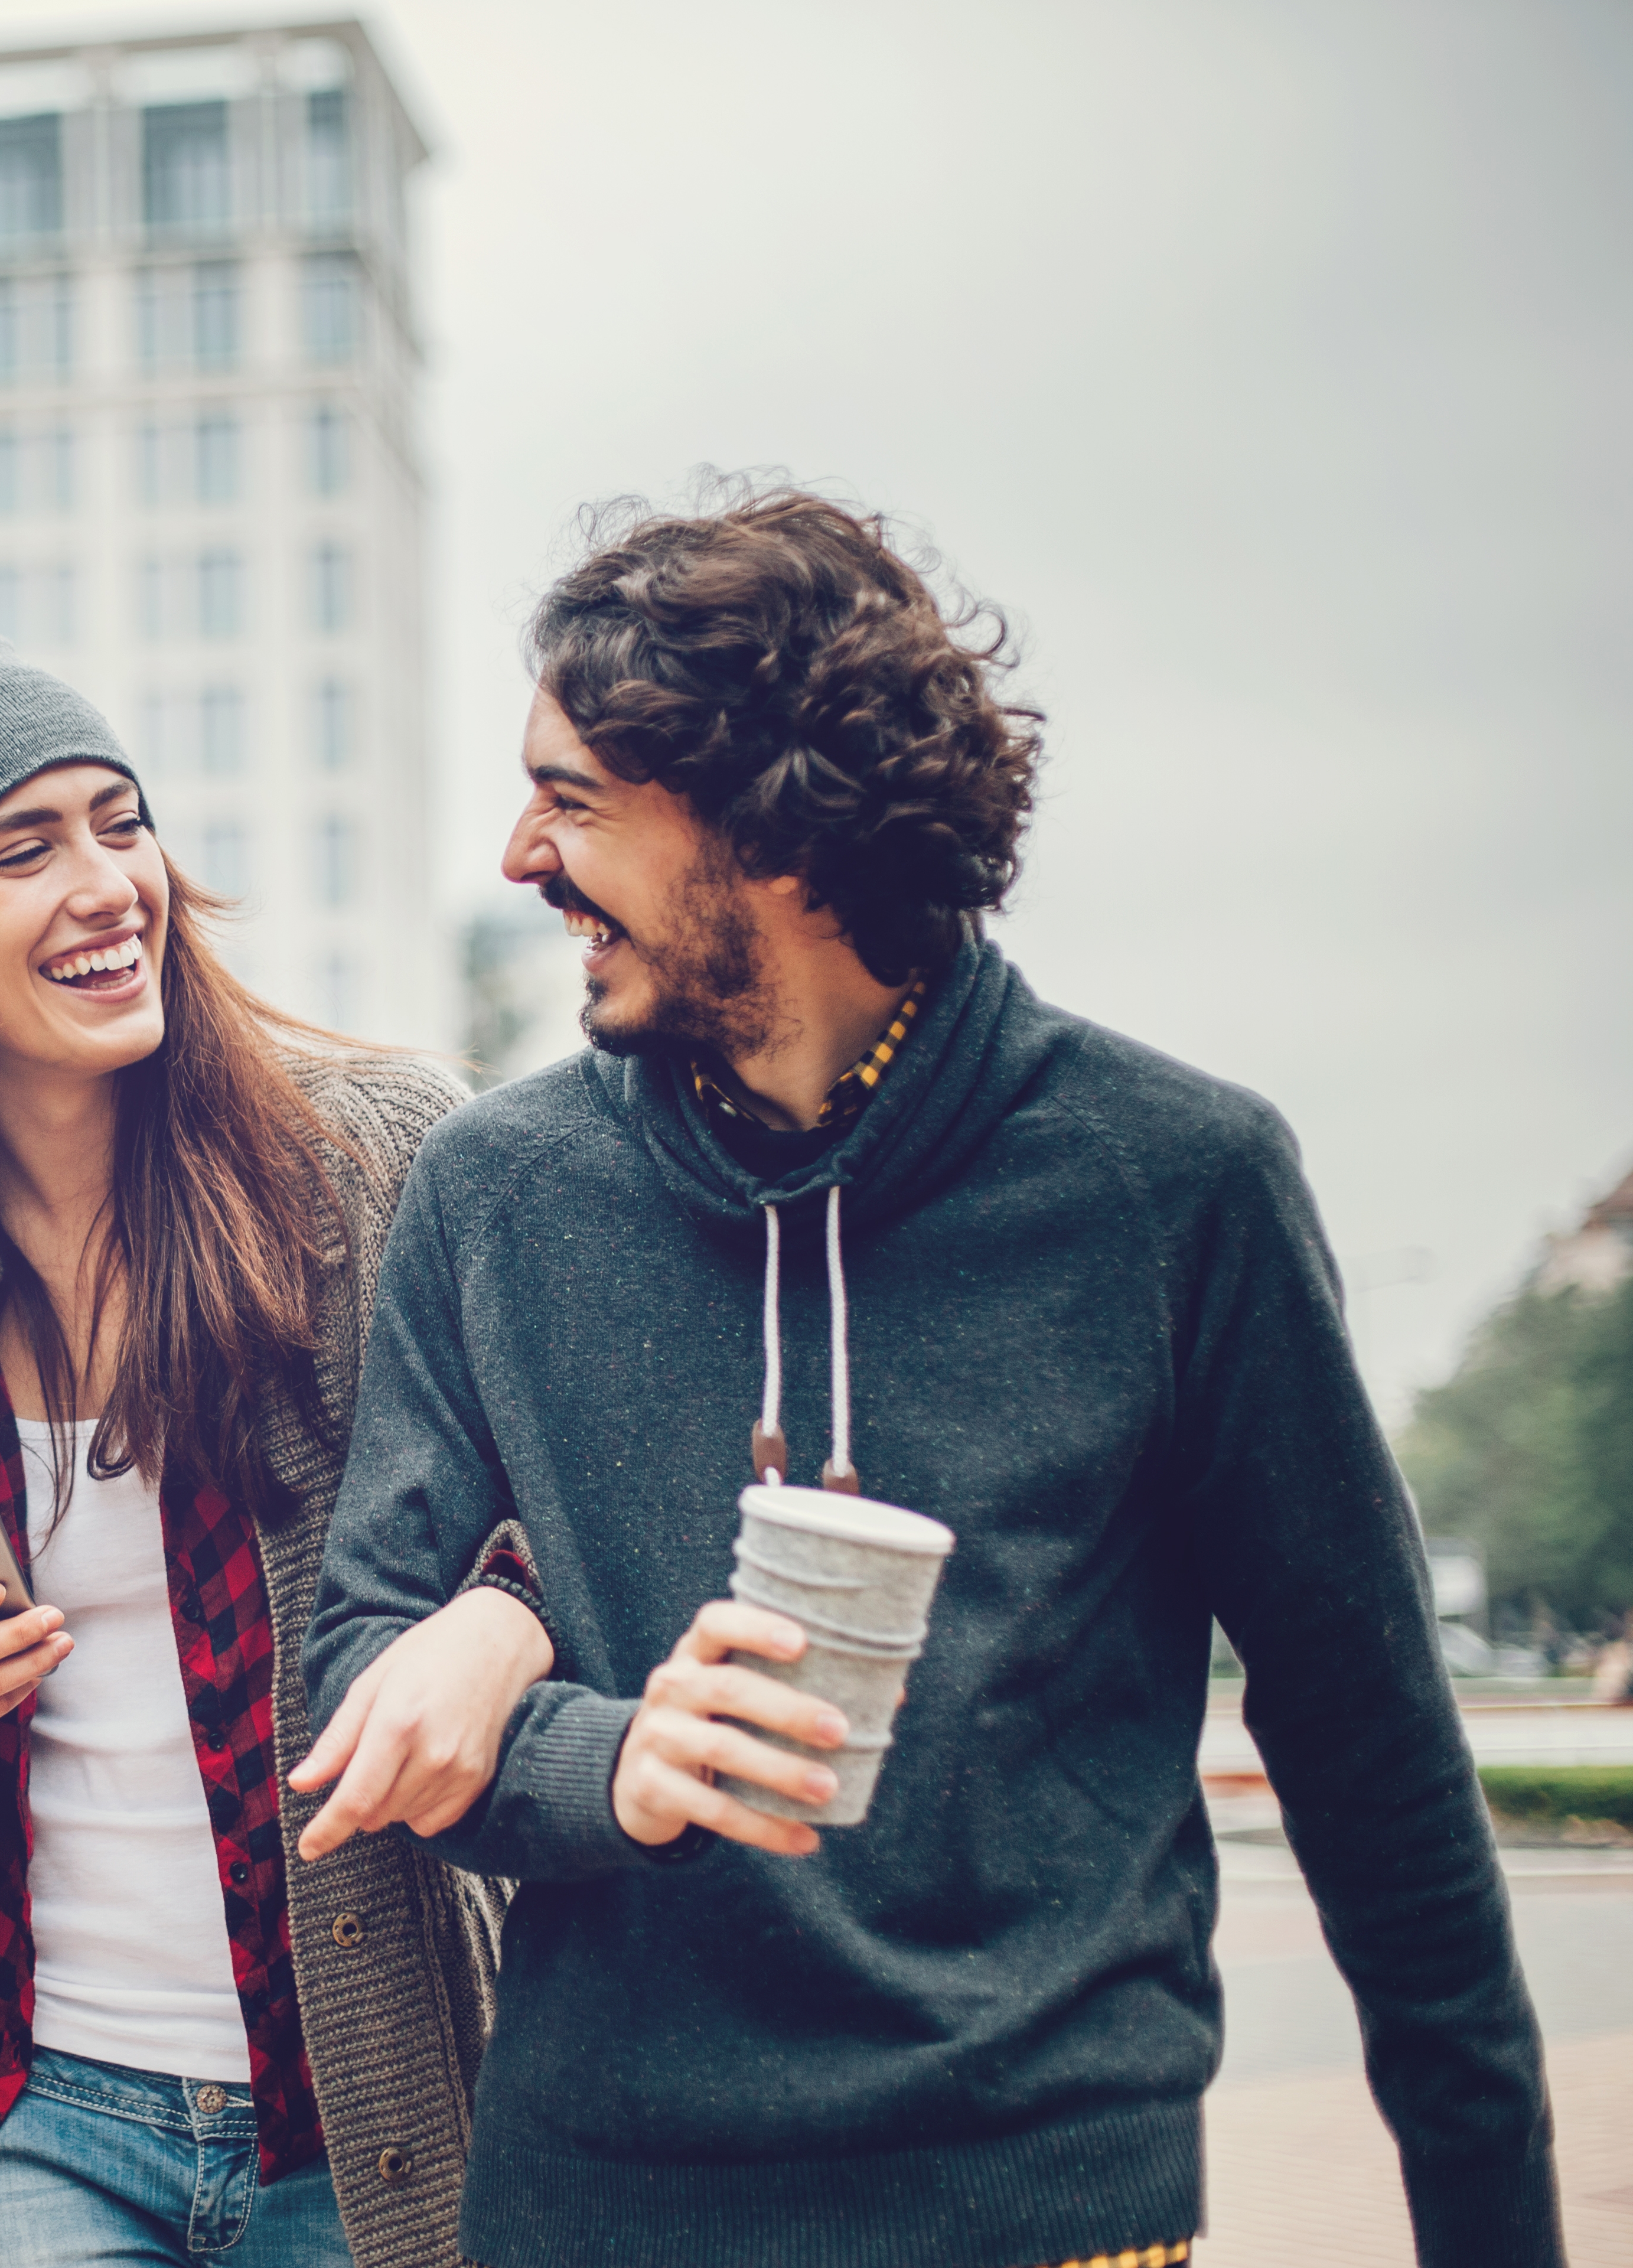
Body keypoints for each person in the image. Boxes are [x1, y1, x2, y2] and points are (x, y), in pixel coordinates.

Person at [301, 490, 1562, 2267]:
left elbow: (1380, 1775)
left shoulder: (1173, 1184)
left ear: (777, 834)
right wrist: (614, 1761)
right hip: (597, 2210)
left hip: (1050, 2211)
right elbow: (360, 1658)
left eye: (573, 802)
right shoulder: (496, 1194)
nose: (520, 857)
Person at [0, 637, 543, 2268]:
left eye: (121, 823)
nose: (111, 884)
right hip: (36, 2105)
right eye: (24, 848)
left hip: (366, 2105)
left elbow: (585, 1508)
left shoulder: (382, 1157)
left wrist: (507, 1615)